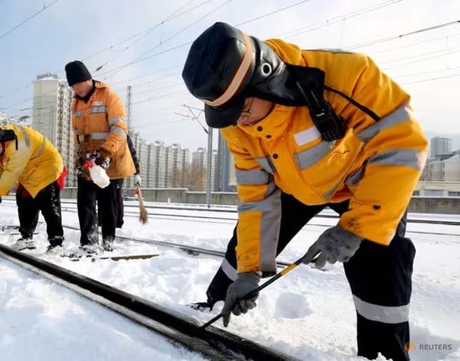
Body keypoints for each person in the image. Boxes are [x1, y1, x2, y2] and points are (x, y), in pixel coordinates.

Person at [181, 22, 427, 361]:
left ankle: (385, 352)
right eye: (228, 115)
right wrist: (249, 271)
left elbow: (403, 142)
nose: (239, 122)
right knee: (240, 252)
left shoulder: (344, 75)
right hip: (293, 185)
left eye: (243, 109)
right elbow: (255, 199)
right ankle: (215, 305)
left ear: (267, 80)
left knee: (383, 258)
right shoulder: (237, 128)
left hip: (361, 183)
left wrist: (356, 227)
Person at [65, 60, 135, 254]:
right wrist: (80, 157)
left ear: (88, 79)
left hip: (110, 157)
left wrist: (105, 154)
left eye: (78, 85)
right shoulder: (75, 103)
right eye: (73, 86)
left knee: (108, 203)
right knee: (85, 200)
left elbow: (120, 128)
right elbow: (77, 134)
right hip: (88, 160)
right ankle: (88, 242)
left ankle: (108, 241)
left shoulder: (109, 96)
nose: (76, 89)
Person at [0, 121, 66, 253]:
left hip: (47, 167)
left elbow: (11, 173)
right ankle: (26, 238)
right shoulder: (3, 141)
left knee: (48, 205)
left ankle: (57, 243)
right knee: (24, 202)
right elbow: (1, 164)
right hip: (29, 170)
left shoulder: (18, 144)